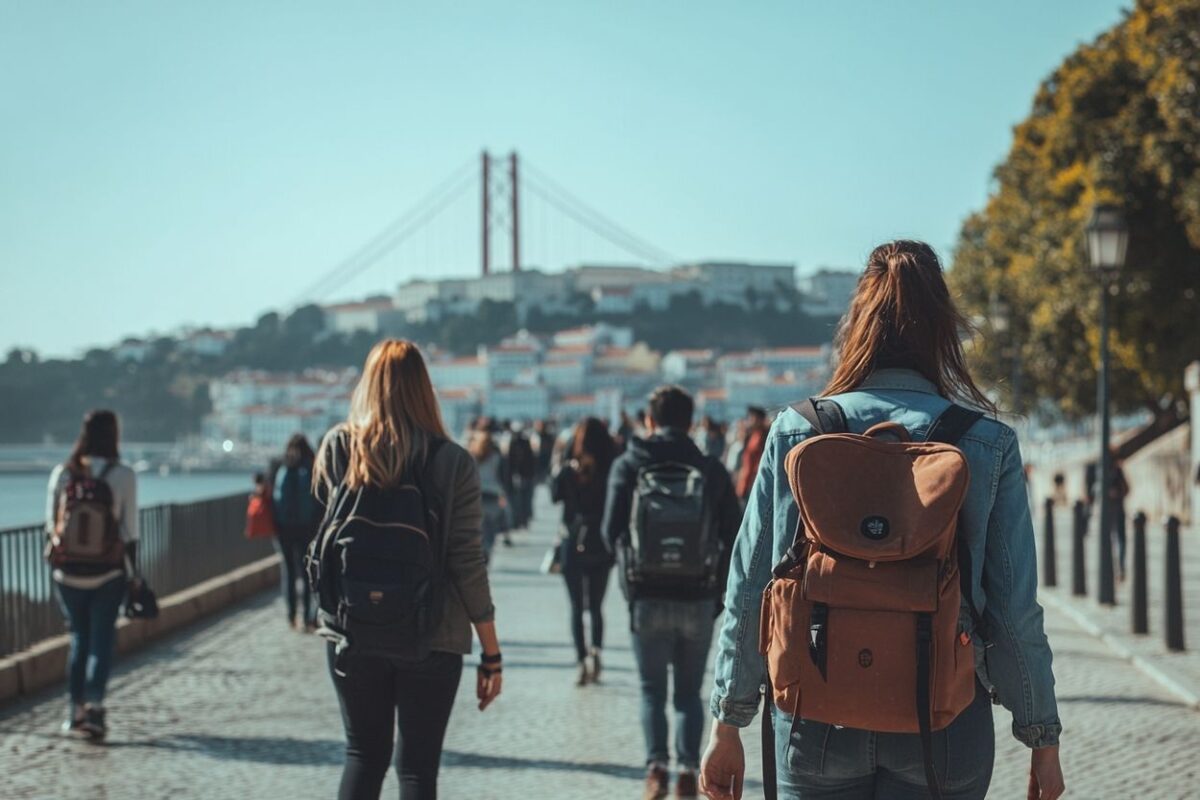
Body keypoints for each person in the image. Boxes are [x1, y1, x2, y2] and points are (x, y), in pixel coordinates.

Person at [701, 240, 1064, 800]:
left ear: (857, 326)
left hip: (814, 717)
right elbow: (1015, 610)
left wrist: (728, 720)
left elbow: (751, 588)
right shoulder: (987, 443)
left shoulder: (797, 432)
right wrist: (1042, 736)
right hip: (946, 717)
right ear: (944, 329)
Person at [312, 339, 502, 800]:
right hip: (432, 633)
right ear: (425, 389)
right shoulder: (451, 461)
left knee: (363, 755)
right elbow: (466, 561)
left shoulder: (340, 447)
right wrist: (490, 651)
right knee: (417, 769)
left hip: (351, 627)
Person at [603, 386, 742, 800]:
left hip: (647, 596)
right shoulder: (710, 468)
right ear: (691, 421)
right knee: (687, 693)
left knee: (650, 690)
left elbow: (609, 531)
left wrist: (633, 580)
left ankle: (656, 769)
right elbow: (734, 536)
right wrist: (717, 594)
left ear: (649, 420)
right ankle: (686, 771)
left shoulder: (629, 464)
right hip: (698, 597)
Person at [45, 409, 139, 741]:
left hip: (67, 573)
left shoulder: (63, 473)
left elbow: (50, 527)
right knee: (101, 641)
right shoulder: (123, 474)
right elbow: (130, 531)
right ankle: (96, 708)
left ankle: (74, 711)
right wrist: (134, 575)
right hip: (107, 573)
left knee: (78, 640)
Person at [550, 417, 618, 686]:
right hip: (600, 544)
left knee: (577, 607)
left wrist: (559, 463)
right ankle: (596, 651)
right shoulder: (610, 471)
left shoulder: (569, 472)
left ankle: (581, 660)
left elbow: (554, 496)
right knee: (597, 606)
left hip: (572, 543)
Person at [273, 433, 321, 632]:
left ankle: (292, 616)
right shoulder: (312, 466)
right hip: (307, 529)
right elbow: (319, 499)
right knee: (309, 573)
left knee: (289, 572)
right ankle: (310, 617)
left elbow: (272, 498)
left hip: (284, 529)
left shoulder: (281, 466)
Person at [469, 426, 508, 564]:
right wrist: (503, 495)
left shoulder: (471, 457)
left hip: (476, 495)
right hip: (493, 494)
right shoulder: (497, 457)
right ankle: (487, 548)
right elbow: (503, 477)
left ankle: (480, 550)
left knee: (478, 526)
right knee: (491, 526)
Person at [734, 406, 768, 503]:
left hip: (755, 484)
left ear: (760, 420)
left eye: (752, 418)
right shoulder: (752, 436)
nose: (749, 420)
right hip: (747, 483)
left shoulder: (764, 437)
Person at [506, 422, 537, 530]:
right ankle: (521, 521)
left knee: (520, 500)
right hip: (523, 475)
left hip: (521, 475)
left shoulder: (514, 442)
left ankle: (520, 521)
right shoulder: (523, 441)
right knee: (523, 500)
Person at [1110, 455, 1131, 582]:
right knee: (1118, 540)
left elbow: (1127, 488)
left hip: (1115, 511)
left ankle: (1119, 569)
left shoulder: (1115, 470)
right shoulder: (1117, 470)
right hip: (1117, 510)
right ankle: (1119, 569)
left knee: (1118, 540)